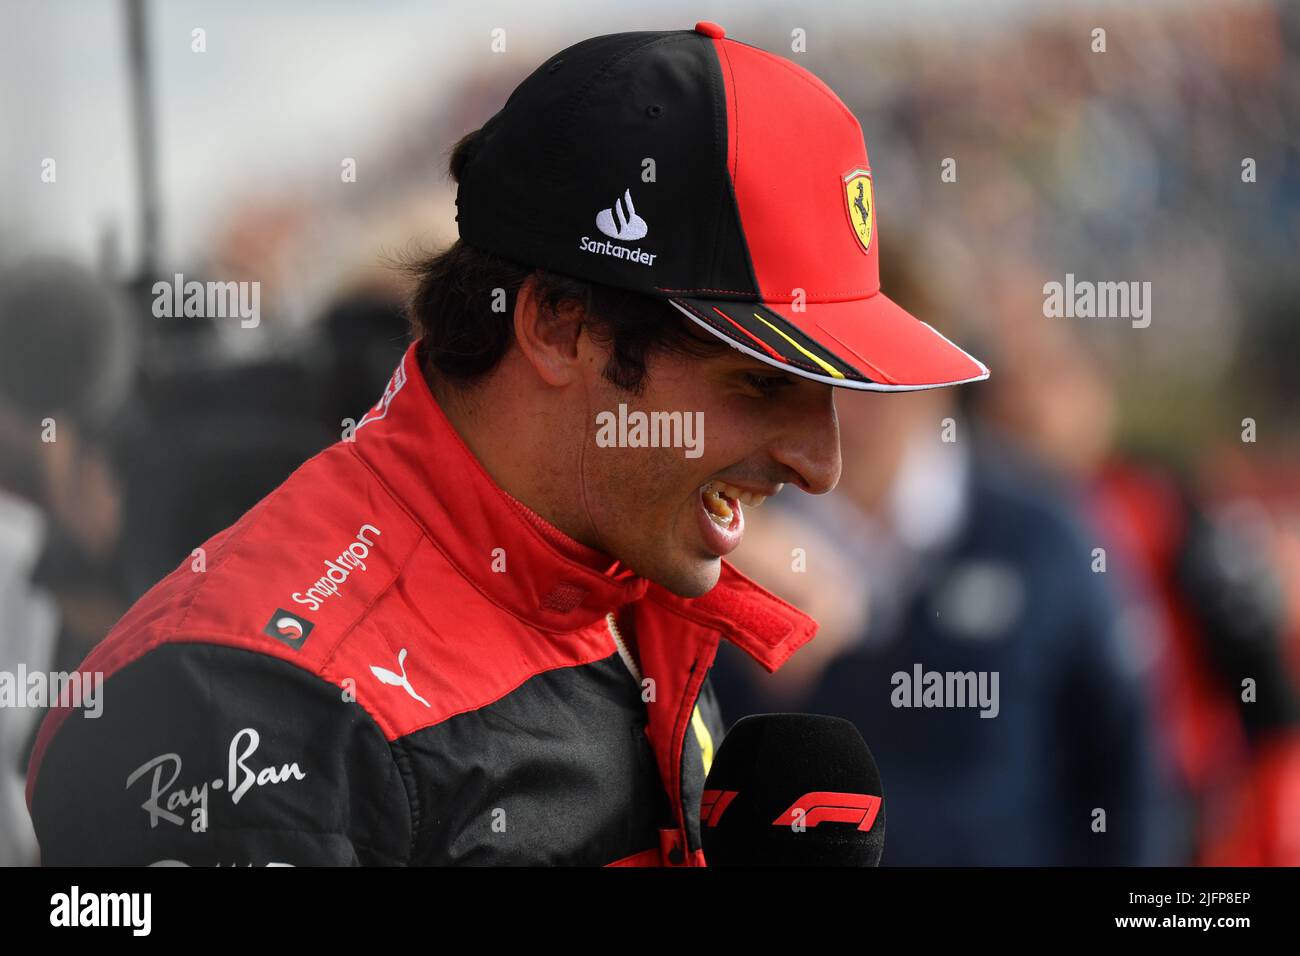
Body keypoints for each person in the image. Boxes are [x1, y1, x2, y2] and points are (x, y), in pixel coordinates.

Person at [25, 21, 987, 866]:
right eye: (761, 385)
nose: (821, 465)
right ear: (560, 327)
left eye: (828, 396)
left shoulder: (625, 577)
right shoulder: (244, 703)